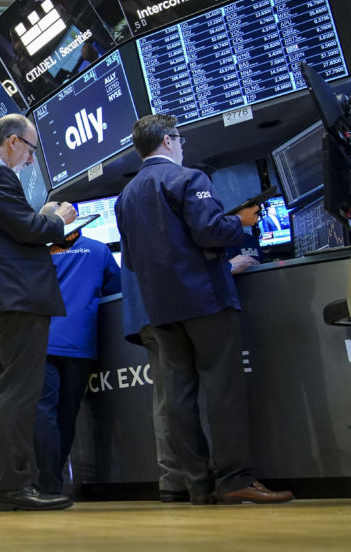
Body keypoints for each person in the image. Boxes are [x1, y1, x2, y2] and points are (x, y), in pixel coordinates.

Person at [116, 114, 293, 505]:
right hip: (206, 299)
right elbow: (210, 230)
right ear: (166, 140)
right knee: (223, 389)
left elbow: (129, 261)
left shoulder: (125, 197)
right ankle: (235, 479)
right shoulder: (188, 179)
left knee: (179, 396)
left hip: (160, 308)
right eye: (179, 138)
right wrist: (240, 222)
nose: (182, 145)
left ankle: (198, 485)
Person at [0, 113, 75, 512]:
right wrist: (56, 220)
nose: (31, 157)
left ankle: (9, 485)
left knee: (7, 395)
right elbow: (29, 230)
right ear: (13, 141)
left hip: (1, 298)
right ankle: (12, 487)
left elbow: (15, 228)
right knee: (19, 395)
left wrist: (40, 218)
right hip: (17, 298)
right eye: (31, 148)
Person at [33, 232, 120, 496]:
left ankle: (47, 484)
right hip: (80, 343)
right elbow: (116, 290)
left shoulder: (36, 251)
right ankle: (53, 481)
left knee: (44, 412)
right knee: (67, 415)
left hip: (42, 341)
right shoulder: (99, 251)